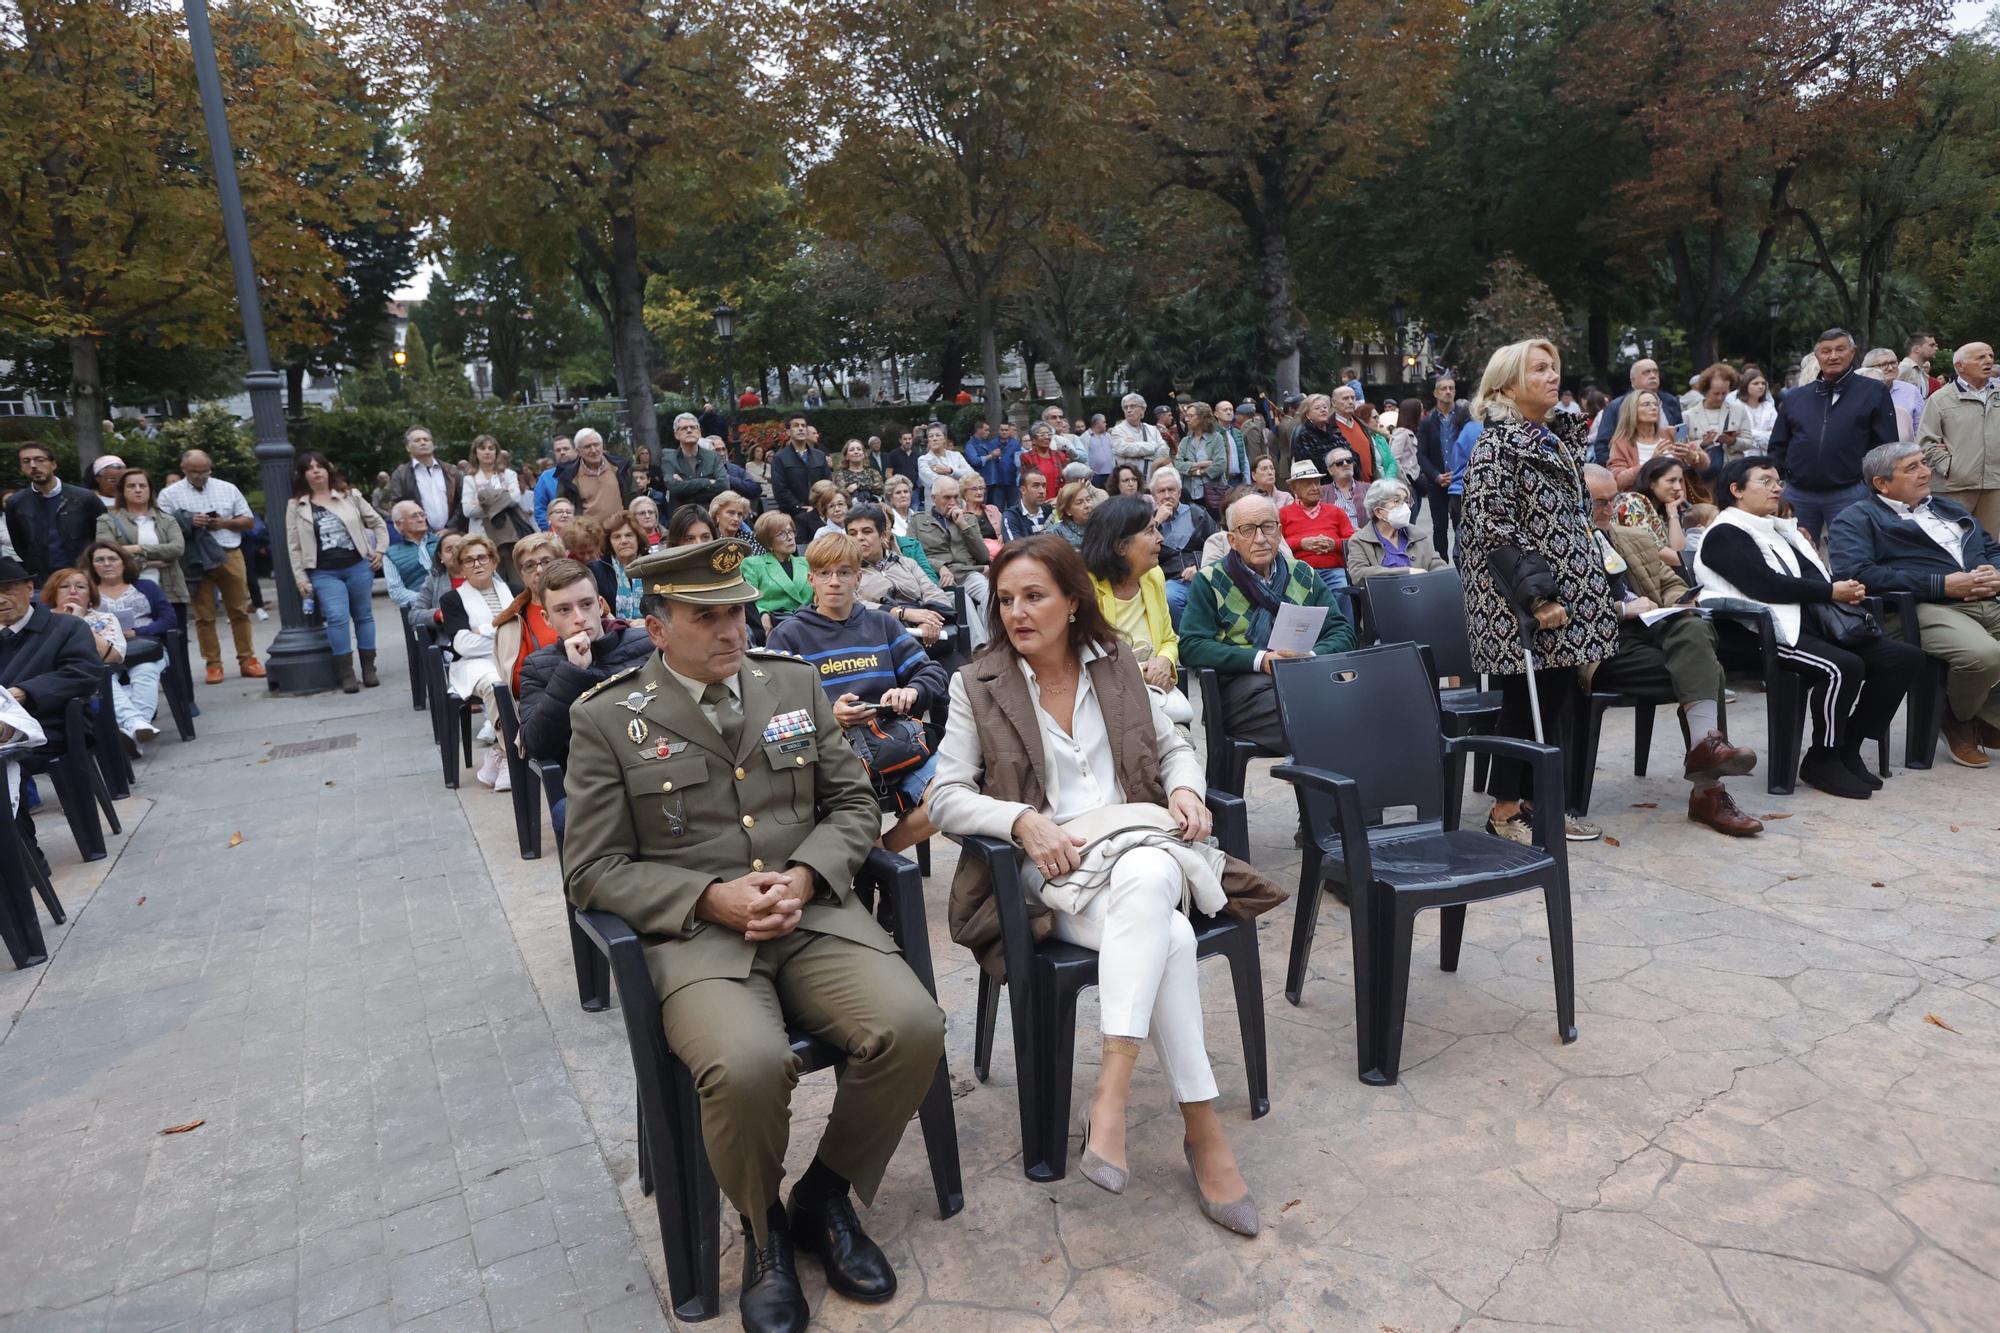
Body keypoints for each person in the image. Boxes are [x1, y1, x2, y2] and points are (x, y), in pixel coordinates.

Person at [562, 539, 946, 1332]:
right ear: (655, 625)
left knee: (913, 1028)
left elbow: (852, 807)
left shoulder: (791, 681)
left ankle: (823, 1196)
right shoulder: (607, 717)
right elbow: (592, 869)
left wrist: (804, 877)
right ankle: (762, 1229)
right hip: (699, 937)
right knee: (747, 1065)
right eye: (708, 616)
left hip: (810, 913)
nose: (732, 628)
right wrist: (709, 897)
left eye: (736, 609)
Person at [929, 534, 1280, 1236]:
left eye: (1035, 596)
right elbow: (943, 797)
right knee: (1168, 920)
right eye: (1006, 599)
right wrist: (1022, 820)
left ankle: (1114, 1091)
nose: (1018, 612)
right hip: (1054, 871)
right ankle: (1201, 1135)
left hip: (1139, 846)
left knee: (1157, 897)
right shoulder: (979, 681)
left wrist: (1184, 788)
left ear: (1071, 600)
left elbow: (1175, 741)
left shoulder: (1115, 661)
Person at [1458, 339, 1619, 844]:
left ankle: (1535, 802)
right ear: (1508, 384)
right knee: (1522, 705)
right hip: (1525, 601)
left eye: (1555, 368)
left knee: (1551, 702)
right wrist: (1537, 597)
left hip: (1568, 596)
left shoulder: (1552, 439)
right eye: (1540, 369)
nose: (1554, 377)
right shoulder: (1497, 445)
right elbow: (1492, 527)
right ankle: (1504, 811)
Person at [1695, 456, 1922, 799]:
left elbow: (1813, 577)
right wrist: (1831, 590)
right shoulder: (1725, 534)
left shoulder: (1776, 528)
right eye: (1766, 482)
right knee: (1843, 667)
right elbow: (1765, 586)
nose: (1777, 488)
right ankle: (1823, 758)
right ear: (1736, 490)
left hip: (1807, 624)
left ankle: (1846, 746)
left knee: (1903, 658)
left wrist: (1842, 588)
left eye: (1778, 482)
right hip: (1759, 634)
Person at [1580, 467, 1764, 834]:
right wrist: (1621, 609)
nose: (1606, 509)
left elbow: (1671, 584)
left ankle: (1705, 751)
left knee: (1693, 630)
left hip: (1656, 633)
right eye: (1597, 502)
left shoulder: (1632, 537)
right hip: (1604, 646)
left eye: (1612, 499)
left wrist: (1672, 605)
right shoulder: (1562, 542)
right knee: (1705, 670)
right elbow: (1561, 608)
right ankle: (1708, 792)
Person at [767, 530, 949, 851]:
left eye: (844, 572)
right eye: (824, 573)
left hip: (897, 746)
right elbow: (774, 711)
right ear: (811, 579)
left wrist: (912, 692)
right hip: (834, 759)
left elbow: (930, 672)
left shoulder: (883, 625)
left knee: (951, 798)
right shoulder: (788, 636)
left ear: (858, 579)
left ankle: (883, 855)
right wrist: (829, 715)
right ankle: (877, 861)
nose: (834, 581)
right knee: (855, 817)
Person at [1829, 442, 2000, 768]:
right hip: (1919, 608)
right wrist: (1942, 584)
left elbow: (1991, 548)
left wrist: (1997, 574)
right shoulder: (1856, 518)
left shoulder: (1950, 509)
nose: (1926, 472)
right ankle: (1956, 718)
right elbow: (1857, 574)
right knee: (1984, 656)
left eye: (1924, 463)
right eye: (1912, 468)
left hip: (1983, 599)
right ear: (1882, 483)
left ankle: (1979, 715)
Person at [1179, 492, 1353, 752]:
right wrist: (1261, 660)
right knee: (1321, 715)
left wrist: (1310, 655)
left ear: (1280, 532)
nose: (1260, 539)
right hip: (1244, 690)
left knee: (1354, 703)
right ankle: (1323, 779)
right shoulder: (1210, 581)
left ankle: (1322, 777)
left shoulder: (1302, 573)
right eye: (1247, 530)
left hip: (1305, 676)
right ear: (1232, 540)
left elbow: (1341, 631)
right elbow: (1191, 646)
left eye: (1268, 527)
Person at [516, 557, 654, 838]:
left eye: (586, 604)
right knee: (567, 814)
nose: (579, 617)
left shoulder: (645, 645)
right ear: (547, 619)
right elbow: (537, 745)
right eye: (564, 610)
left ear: (601, 604)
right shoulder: (538, 667)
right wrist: (572, 672)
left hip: (656, 764)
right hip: (594, 784)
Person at [1769, 328, 1902, 542]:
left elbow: (1886, 445)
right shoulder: (1796, 397)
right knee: (1797, 556)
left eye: (1840, 349)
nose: (1833, 356)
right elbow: (1778, 444)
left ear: (1852, 352)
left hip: (1850, 491)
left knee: (1851, 553)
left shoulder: (1873, 392)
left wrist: (1871, 486)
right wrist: (1781, 482)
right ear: (1817, 356)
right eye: (1826, 351)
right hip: (1798, 493)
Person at [286, 451, 388, 693]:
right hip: (323, 571)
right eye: (309, 468)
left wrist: (380, 551)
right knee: (337, 617)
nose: (316, 471)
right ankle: (346, 673)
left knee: (363, 616)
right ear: (303, 475)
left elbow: (378, 523)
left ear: (328, 469)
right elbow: (293, 545)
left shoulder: (349, 496)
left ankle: (369, 668)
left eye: (319, 466)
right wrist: (300, 578)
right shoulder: (296, 505)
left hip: (357, 565)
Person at [1082, 495, 1189, 723]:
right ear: (1121, 546)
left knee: (1183, 751)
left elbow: (1169, 639)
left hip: (1155, 698)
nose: (1160, 538)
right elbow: (1088, 658)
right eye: (1150, 532)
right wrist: (1143, 673)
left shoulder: (1153, 577)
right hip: (1106, 707)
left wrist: (1164, 662)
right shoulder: (1086, 588)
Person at [157, 449, 261, 683]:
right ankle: (213, 664)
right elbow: (162, 527)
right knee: (204, 615)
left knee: (239, 609)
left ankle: (247, 658)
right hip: (195, 557)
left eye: (205, 471)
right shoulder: (169, 494)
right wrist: (189, 521)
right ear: (184, 469)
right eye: (195, 472)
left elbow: (248, 521)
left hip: (228, 552)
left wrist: (223, 522)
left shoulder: (227, 488)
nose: (201, 476)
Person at [437, 536, 515, 791]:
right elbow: (462, 645)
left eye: (483, 558)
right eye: (468, 560)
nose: (477, 564)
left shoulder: (513, 590)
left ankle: (499, 752)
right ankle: (510, 756)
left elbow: (523, 633)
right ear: (460, 567)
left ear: (493, 561)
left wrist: (480, 630)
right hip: (472, 664)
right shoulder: (452, 600)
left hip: (512, 655)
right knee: (496, 684)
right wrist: (502, 630)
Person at [83, 541, 177, 750]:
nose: (107, 564)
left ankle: (132, 734)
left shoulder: (146, 587)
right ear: (92, 565)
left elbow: (169, 619)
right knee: (104, 679)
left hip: (145, 649)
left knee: (145, 672)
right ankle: (137, 730)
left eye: (112, 558)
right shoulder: (87, 593)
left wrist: (138, 632)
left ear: (124, 562)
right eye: (99, 560)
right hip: (106, 653)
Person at [846, 505, 957, 656]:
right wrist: (903, 613)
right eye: (852, 533)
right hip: (881, 636)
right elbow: (854, 604)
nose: (859, 537)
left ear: (884, 535)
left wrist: (927, 620)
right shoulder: (846, 572)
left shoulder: (906, 563)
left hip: (924, 628)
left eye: (867, 531)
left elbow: (933, 592)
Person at [1915, 341, 1999, 534]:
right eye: (1980, 357)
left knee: (1991, 546)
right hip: (1954, 488)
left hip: (1995, 485)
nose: (1988, 361)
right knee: (1954, 542)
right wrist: (1950, 467)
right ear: (1960, 366)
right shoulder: (1940, 399)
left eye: (1991, 356)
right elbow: (1926, 442)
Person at [908, 476, 991, 648]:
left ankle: (996, 644)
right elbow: (911, 556)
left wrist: (962, 525)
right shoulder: (918, 520)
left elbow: (983, 556)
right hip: (940, 579)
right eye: (947, 497)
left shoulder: (968, 519)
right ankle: (979, 648)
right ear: (934, 499)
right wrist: (940, 567)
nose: (952, 502)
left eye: (955, 497)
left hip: (967, 572)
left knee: (988, 592)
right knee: (963, 600)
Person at [5, 442, 100, 585]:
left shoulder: (84, 498)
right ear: (22, 468)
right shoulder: (16, 503)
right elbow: (20, 544)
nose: (33, 465)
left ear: (53, 464)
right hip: (41, 580)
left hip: (83, 575)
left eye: (39, 460)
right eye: (26, 461)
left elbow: (100, 536)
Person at [97, 467, 187, 618]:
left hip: (170, 590)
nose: (138, 490)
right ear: (122, 491)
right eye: (131, 486)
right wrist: (148, 563)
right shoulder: (107, 520)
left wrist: (136, 548)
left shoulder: (167, 519)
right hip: (127, 592)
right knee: (135, 637)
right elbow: (107, 554)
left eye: (142, 486)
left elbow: (177, 548)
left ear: (150, 490)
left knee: (174, 638)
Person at [490, 532, 566, 698]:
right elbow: (517, 683)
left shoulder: (586, 603)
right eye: (529, 566)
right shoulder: (514, 621)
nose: (539, 570)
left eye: (546, 562)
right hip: (547, 700)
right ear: (522, 575)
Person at [1278, 459, 1356, 610]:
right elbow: (1277, 544)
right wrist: (1301, 543)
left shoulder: (1336, 512)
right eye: (1307, 484)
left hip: (1334, 571)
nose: (1314, 488)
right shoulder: (1283, 514)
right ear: (1294, 488)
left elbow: (1352, 542)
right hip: (1298, 572)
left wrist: (1334, 544)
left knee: (1342, 590)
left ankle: (1345, 633)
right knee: (1296, 599)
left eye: (1316, 483)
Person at [1345, 477, 1449, 587]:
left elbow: (1437, 564)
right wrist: (1405, 573)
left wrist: (1439, 577)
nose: (1404, 507)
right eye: (1396, 501)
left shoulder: (1417, 535)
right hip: (1385, 599)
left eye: (1405, 501)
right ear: (1379, 512)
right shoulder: (1359, 541)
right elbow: (1358, 575)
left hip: (1422, 597)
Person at [1588, 358, 1686, 465]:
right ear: (1633, 381)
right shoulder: (1616, 406)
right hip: (1632, 469)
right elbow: (1602, 446)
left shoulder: (1671, 401)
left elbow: (1680, 435)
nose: (1653, 375)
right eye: (1646, 372)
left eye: (1655, 371)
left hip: (1671, 466)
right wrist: (1617, 470)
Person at [459, 434, 532, 571]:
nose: (487, 452)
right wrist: (502, 495)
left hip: (509, 533)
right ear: (476, 453)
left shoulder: (508, 474)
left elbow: (515, 499)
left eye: (491, 448)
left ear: (496, 452)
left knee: (514, 573)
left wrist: (484, 501)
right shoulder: (470, 479)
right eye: (482, 448)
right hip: (482, 534)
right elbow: (468, 510)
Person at [1613, 455, 1693, 570]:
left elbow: (1678, 550)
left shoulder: (1665, 509)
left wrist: (1672, 511)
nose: (1678, 487)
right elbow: (1656, 552)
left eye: (1680, 481)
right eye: (1671, 480)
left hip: (1662, 575)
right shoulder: (1631, 502)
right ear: (1651, 482)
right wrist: (1697, 562)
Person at [1415, 376, 1464, 556]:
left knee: (1463, 526)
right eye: (1443, 388)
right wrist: (1436, 476)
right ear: (1436, 393)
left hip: (1461, 482)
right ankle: (1441, 566)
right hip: (1437, 483)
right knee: (1440, 527)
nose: (1448, 391)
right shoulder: (1427, 422)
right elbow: (1421, 454)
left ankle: (1464, 564)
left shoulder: (1463, 418)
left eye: (1451, 388)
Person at [385, 426, 464, 537]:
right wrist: (422, 528)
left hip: (452, 535)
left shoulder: (451, 471)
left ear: (433, 444)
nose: (423, 443)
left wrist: (450, 528)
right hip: (419, 536)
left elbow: (462, 501)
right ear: (408, 447)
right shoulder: (401, 475)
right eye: (417, 440)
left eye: (426, 440)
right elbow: (398, 506)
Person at [743, 510, 812, 630]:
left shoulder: (806, 562)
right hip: (775, 626)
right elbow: (748, 601)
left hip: (809, 622)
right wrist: (762, 613)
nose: (790, 537)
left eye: (790, 531)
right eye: (781, 534)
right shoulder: (753, 564)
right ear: (768, 542)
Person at [1606, 390, 1686, 491]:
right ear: (1632, 410)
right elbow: (1618, 481)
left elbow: (1702, 462)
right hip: (1643, 503)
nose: (1653, 408)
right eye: (1646, 404)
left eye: (1656, 404)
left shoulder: (1672, 433)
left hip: (1678, 502)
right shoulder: (1621, 443)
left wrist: (1694, 457)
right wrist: (1651, 462)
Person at [1682, 363, 1752, 468]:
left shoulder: (1739, 410)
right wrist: (1703, 443)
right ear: (1705, 391)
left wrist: (1733, 441)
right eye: (1716, 393)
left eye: (1724, 393)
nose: (1720, 398)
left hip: (1733, 470)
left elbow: (1749, 442)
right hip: (1703, 475)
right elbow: (1683, 449)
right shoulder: (1688, 415)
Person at [661, 413, 729, 517]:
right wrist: (708, 482)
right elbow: (674, 489)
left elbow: (724, 486)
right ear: (676, 435)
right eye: (683, 428)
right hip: (683, 517)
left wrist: (685, 486)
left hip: (710, 516)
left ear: (699, 432)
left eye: (693, 427)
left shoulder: (713, 457)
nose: (689, 430)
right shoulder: (669, 460)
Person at [1175, 402, 1235, 513]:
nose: (1186, 419)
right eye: (1186, 416)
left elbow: (1220, 465)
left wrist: (1194, 471)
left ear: (1203, 418)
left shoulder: (1216, 438)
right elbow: (1178, 464)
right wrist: (1199, 465)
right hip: (1189, 495)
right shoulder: (1185, 441)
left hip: (1213, 495)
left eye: (1191, 416)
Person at [594, 513, 647, 620]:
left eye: (629, 535)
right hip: (614, 631)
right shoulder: (597, 570)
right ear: (609, 542)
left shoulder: (652, 566)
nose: (624, 541)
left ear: (638, 538)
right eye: (617, 537)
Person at [965, 418, 1021, 513]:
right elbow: (974, 461)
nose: (988, 432)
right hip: (983, 483)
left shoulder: (987, 443)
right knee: (987, 508)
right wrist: (991, 456)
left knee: (994, 509)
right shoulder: (971, 445)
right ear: (978, 430)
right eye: (986, 430)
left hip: (997, 482)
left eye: (988, 430)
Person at [915, 423, 973, 510]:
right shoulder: (923, 460)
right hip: (935, 509)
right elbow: (932, 480)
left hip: (959, 506)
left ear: (945, 439)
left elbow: (971, 474)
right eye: (931, 436)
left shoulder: (956, 455)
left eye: (938, 435)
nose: (934, 439)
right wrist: (958, 480)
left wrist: (950, 471)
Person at [1110, 393, 1167, 466]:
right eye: (1125, 407)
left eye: (1132, 406)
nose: (1128, 410)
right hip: (1129, 476)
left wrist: (1136, 450)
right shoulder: (1118, 430)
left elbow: (1165, 451)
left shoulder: (1152, 430)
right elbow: (1123, 449)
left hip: (1151, 476)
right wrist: (1153, 446)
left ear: (1143, 409)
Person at [532, 435, 575, 530]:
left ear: (575, 450)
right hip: (555, 535)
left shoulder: (584, 474)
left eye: (566, 449)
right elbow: (540, 509)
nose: (562, 452)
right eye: (558, 450)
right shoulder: (546, 477)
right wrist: (551, 530)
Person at [960, 473, 1004, 558]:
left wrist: (1003, 534)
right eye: (974, 489)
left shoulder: (993, 509)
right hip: (978, 556)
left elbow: (1006, 528)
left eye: (981, 488)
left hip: (1000, 550)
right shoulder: (961, 516)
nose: (979, 492)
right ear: (964, 493)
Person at [1003, 467, 1053, 543]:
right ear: (1023, 490)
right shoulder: (1011, 516)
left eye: (1044, 486)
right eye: (1036, 486)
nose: (1042, 491)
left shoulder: (1051, 511)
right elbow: (1015, 548)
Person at [1018, 422, 1066, 500]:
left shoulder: (1060, 456)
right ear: (1033, 440)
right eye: (1042, 435)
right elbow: (1027, 482)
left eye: (1049, 434)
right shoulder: (1026, 457)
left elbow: (1064, 480)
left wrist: (1058, 499)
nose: (1047, 437)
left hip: (1058, 500)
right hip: (1036, 500)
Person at [1735, 367, 1778, 455]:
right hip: (1743, 457)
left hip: (1766, 456)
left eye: (1763, 383)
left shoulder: (1768, 406)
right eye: (1756, 383)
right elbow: (1738, 436)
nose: (1760, 386)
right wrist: (1764, 435)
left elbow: (1775, 435)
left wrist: (1751, 434)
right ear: (1746, 385)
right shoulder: (1737, 406)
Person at [831, 438, 885, 505]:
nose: (856, 452)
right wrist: (847, 491)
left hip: (873, 510)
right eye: (851, 450)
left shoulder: (873, 472)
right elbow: (838, 494)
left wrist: (858, 486)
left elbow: (880, 489)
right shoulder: (840, 474)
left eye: (859, 449)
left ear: (863, 454)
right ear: (846, 456)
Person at [1050, 479, 1100, 548]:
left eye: (1088, 499)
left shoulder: (1101, 526)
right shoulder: (1056, 532)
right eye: (1079, 502)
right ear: (1067, 510)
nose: (1087, 505)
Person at [1081, 413, 1116, 486]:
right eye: (1104, 422)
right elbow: (1084, 456)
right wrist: (1088, 473)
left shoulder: (1108, 436)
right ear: (1097, 423)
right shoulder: (1085, 437)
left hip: (1110, 474)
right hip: (1095, 476)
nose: (1106, 424)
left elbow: (1114, 452)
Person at [741, 441, 776, 511]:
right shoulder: (749, 465)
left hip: (771, 491)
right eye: (757, 451)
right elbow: (753, 478)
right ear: (753, 452)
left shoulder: (768, 465)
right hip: (759, 493)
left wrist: (765, 479)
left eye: (761, 452)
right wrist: (766, 480)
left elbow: (773, 478)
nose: (760, 453)